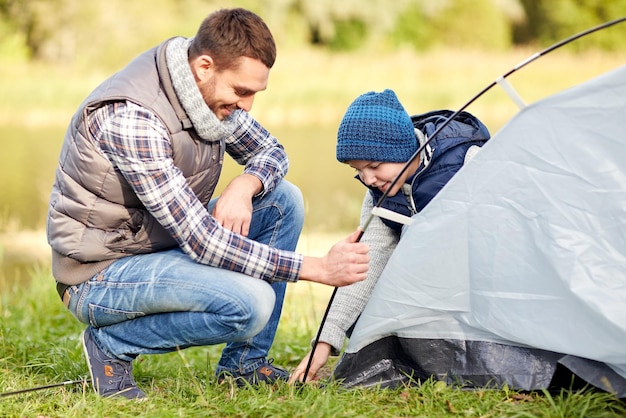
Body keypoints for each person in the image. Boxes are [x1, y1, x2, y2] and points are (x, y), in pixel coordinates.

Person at [46, 8, 369, 400]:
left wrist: (244, 185)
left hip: (157, 245)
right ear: (204, 66)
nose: (247, 105)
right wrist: (317, 268)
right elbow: (203, 241)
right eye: (242, 91)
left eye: (254, 93)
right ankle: (110, 346)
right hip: (98, 274)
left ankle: (243, 366)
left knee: (283, 200)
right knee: (252, 304)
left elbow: (272, 152)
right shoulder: (135, 119)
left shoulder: (210, 96)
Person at [290, 89, 490, 383]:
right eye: (358, 170)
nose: (368, 179)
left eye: (374, 166)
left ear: (404, 150)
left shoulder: (468, 162)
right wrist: (323, 343)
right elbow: (364, 267)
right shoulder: (380, 195)